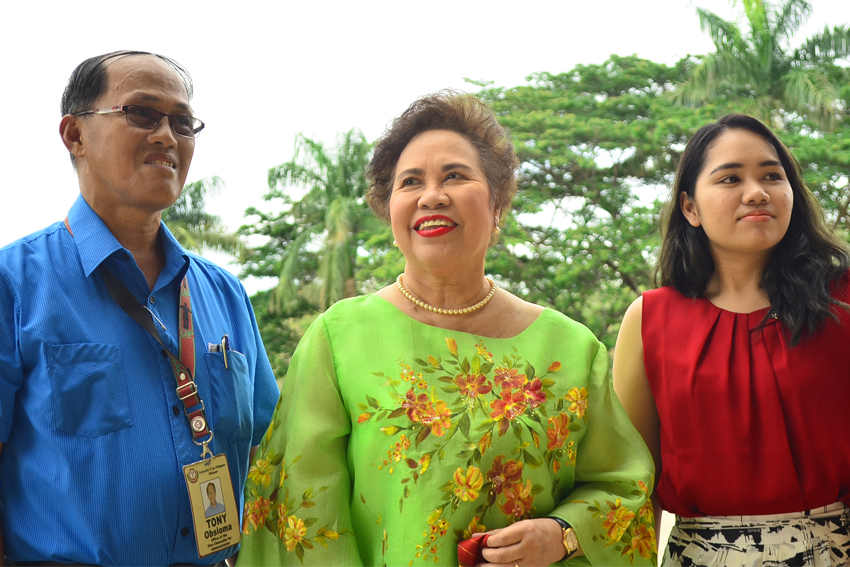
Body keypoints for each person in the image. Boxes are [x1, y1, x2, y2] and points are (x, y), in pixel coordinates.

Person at [237, 91, 656, 566]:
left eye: (454, 176)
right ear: (390, 209)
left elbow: (626, 487)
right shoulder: (339, 339)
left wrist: (563, 534)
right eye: (410, 181)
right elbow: (304, 512)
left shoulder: (572, 348)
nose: (432, 195)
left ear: (497, 203)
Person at [0, 51, 279, 566]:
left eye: (182, 122)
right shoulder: (13, 284)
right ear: (74, 135)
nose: (167, 136)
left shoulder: (225, 294)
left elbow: (267, 451)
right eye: (142, 114)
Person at [613, 114, 850, 566]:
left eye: (771, 176)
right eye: (730, 178)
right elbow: (632, 486)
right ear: (691, 208)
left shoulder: (844, 300)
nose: (757, 191)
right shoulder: (650, 319)